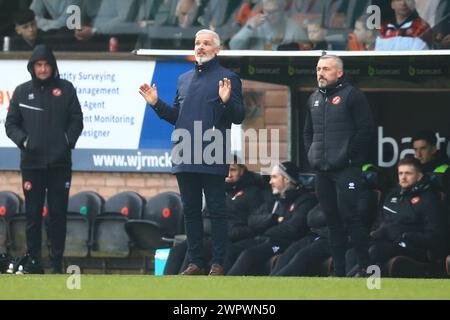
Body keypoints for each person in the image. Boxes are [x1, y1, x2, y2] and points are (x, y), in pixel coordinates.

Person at [139, 29, 245, 276]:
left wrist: (227, 100)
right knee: (190, 210)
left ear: (217, 49)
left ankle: (218, 263)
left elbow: (239, 116)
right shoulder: (184, 79)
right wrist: (156, 104)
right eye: (197, 43)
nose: (200, 47)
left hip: (213, 153)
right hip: (185, 153)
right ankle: (195, 262)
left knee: (217, 211)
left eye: (206, 43)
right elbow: (177, 116)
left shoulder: (229, 78)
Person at [5, 44, 84, 274]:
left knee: (57, 215)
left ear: (52, 66)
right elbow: (11, 124)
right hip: (32, 165)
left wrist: (66, 142)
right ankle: (33, 263)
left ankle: (56, 264)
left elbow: (77, 120)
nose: (42, 69)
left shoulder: (66, 89)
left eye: (45, 65)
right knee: (32, 215)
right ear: (32, 67)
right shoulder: (21, 92)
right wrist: (25, 142)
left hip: (60, 165)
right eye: (38, 65)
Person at [303, 54, 376, 277]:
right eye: (318, 69)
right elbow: (308, 132)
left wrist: (348, 155)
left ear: (339, 72)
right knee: (332, 221)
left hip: (346, 169)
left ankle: (366, 268)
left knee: (350, 217)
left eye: (326, 69)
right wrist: (311, 153)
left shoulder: (352, 95)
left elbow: (366, 130)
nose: (320, 73)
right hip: (322, 171)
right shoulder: (313, 97)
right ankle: (339, 272)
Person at [164, 157, 265, 275]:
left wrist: (231, 233)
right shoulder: (218, 190)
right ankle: (167, 281)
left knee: (198, 251)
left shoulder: (252, 193)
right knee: (177, 250)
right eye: (226, 170)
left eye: (232, 170)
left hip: (233, 239)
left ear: (242, 171)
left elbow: (255, 222)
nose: (228, 174)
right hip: (207, 235)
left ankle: (186, 281)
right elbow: (205, 216)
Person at [225, 161, 317, 276]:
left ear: (286, 179)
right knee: (230, 250)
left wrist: (266, 228)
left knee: (249, 254)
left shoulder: (304, 200)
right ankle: (221, 285)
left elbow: (294, 228)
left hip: (282, 244)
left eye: (274, 177)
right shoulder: (273, 199)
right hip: (264, 239)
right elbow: (252, 220)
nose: (270, 182)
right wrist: (274, 220)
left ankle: (235, 289)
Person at [368, 157, 445, 268]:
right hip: (386, 242)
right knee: (354, 252)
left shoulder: (429, 198)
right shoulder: (391, 196)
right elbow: (378, 224)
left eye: (408, 173)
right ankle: (353, 279)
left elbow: (434, 235)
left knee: (375, 251)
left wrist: (406, 235)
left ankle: (359, 280)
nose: (403, 177)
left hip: (413, 247)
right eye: (400, 173)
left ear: (419, 176)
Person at [229, 0, 306, 50]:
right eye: (268, 12)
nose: (271, 15)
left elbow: (307, 49)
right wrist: (249, 28)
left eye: (274, 11)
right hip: (255, 67)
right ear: (263, 10)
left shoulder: (293, 27)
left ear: (282, 9)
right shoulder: (254, 24)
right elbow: (233, 47)